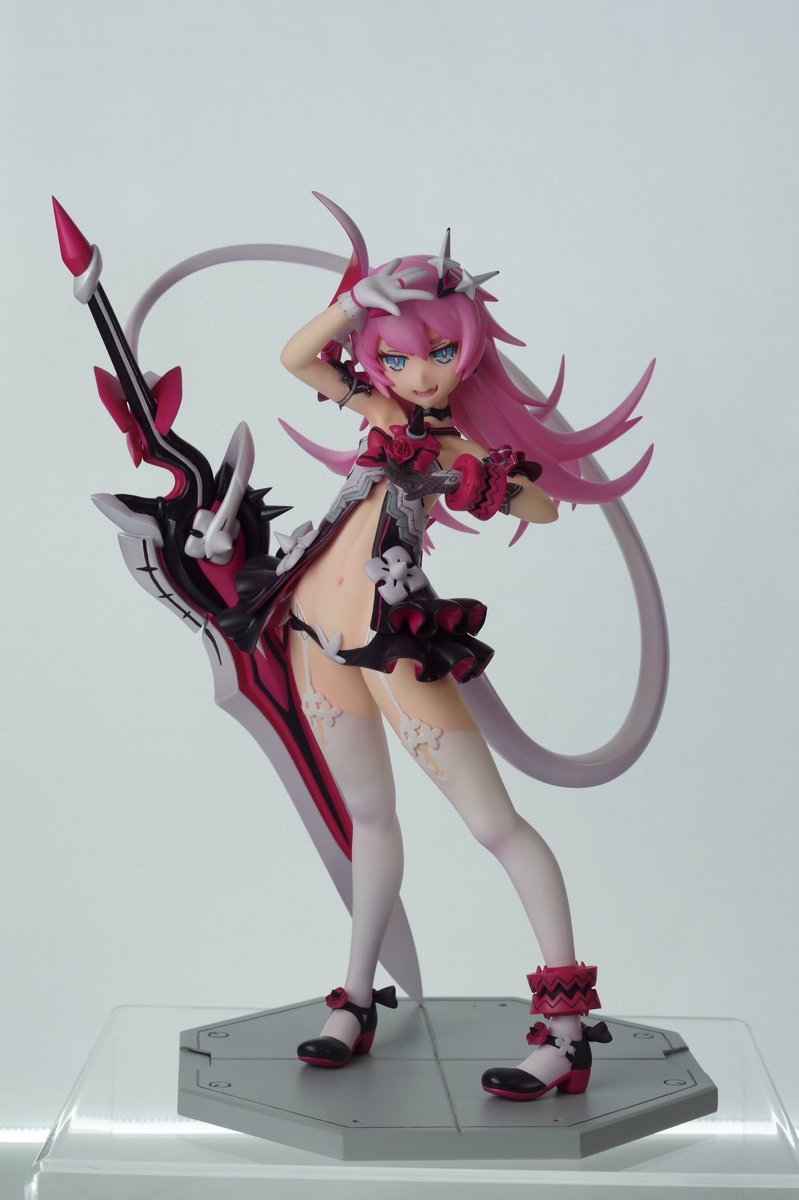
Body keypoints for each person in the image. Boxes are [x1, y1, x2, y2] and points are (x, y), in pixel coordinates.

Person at [218, 198, 655, 1099]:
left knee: (495, 825)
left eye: (441, 352)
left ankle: (566, 1033)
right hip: (315, 634)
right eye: (398, 357)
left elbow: (543, 507)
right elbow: (297, 357)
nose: (419, 374)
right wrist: (355, 302)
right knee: (368, 818)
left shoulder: (462, 443)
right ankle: (356, 1000)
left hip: (393, 643)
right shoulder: (379, 409)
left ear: (470, 350)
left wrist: (481, 475)